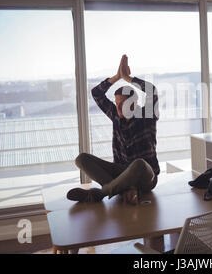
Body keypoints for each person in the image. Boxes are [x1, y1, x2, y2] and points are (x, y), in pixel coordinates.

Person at [66, 54, 159, 205]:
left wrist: (128, 78)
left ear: (134, 103)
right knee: (81, 159)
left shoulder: (147, 116)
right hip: (121, 173)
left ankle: (100, 193)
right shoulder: (116, 115)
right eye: (117, 103)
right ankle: (122, 189)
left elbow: (151, 90)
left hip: (145, 177)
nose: (119, 108)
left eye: (123, 103)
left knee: (139, 163)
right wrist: (117, 77)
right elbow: (96, 93)